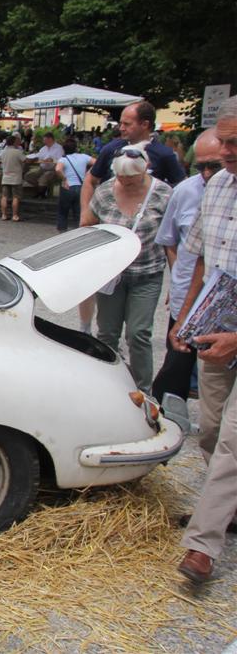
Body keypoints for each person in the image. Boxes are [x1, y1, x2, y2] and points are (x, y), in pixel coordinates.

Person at [170, 96, 237, 584]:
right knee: (209, 430)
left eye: (234, 143)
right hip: (215, 329)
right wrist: (184, 318)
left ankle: (202, 545)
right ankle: (226, 508)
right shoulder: (216, 189)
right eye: (223, 142)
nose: (226, 151)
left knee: (233, 440)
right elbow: (198, 262)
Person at [77, 101, 187, 334]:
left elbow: (181, 193)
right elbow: (90, 180)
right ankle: (86, 328)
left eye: (127, 123)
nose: (121, 128)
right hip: (112, 253)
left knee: (138, 332)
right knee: (106, 325)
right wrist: (86, 213)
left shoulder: (164, 155)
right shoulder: (111, 148)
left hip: (145, 254)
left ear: (145, 124)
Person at [80, 145, 172, 392]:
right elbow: (87, 225)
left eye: (131, 179)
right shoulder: (106, 192)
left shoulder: (163, 194)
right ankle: (105, 386)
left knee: (138, 333)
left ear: (145, 170)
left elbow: (173, 242)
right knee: (107, 333)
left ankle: (143, 390)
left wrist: (178, 284)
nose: (125, 183)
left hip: (147, 274)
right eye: (121, 178)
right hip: (112, 276)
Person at [151, 129, 224, 403]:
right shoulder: (184, 191)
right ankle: (168, 415)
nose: (206, 174)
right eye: (200, 166)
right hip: (188, 292)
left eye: (213, 166)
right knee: (177, 362)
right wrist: (177, 277)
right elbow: (170, 241)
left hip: (221, 300)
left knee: (213, 370)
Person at [54, 137, 94, 232]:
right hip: (81, 186)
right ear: (76, 148)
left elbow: (58, 169)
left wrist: (64, 179)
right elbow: (97, 162)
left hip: (67, 186)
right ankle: (79, 230)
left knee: (63, 211)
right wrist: (89, 173)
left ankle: (62, 230)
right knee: (79, 211)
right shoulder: (84, 157)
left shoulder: (63, 159)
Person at [23, 132, 64, 198]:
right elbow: (38, 156)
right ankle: (42, 189)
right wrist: (33, 158)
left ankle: (41, 194)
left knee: (43, 178)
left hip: (53, 169)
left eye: (45, 140)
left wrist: (52, 160)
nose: (43, 141)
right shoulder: (43, 148)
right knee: (28, 176)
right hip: (42, 168)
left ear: (50, 139)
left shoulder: (59, 148)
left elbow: (61, 160)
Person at [0, 133, 26, 222]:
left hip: (5, 176)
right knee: (16, 197)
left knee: (4, 196)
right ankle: (14, 215)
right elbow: (25, 160)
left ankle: (3, 215)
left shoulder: (3, 152)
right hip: (16, 177)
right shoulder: (18, 152)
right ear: (14, 142)